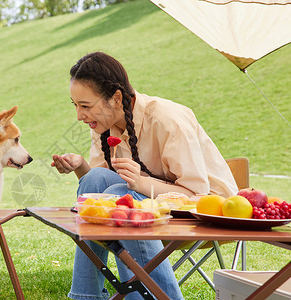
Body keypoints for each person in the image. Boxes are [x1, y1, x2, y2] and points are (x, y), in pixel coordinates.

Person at [51, 52, 238, 300]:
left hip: (208, 210)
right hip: (148, 206)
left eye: (85, 106)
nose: (79, 115)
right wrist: (80, 166)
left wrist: (139, 183)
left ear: (116, 98)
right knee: (96, 180)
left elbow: (197, 194)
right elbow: (99, 189)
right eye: (75, 105)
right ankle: (86, 296)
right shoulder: (102, 126)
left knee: (121, 195)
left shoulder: (166, 120)